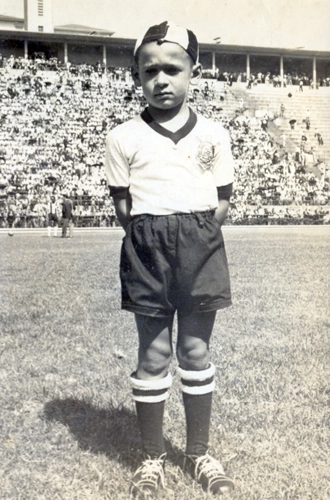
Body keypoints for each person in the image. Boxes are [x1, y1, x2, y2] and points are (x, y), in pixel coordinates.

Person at [105, 21, 235, 497]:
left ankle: (198, 451)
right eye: (149, 70)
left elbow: (222, 200)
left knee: (195, 350)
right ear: (137, 75)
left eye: (172, 69)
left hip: (200, 245)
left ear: (193, 72)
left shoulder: (215, 134)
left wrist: (194, 236)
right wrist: (153, 237)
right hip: (147, 247)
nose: (161, 79)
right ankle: (152, 456)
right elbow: (124, 206)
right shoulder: (123, 136)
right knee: (155, 353)